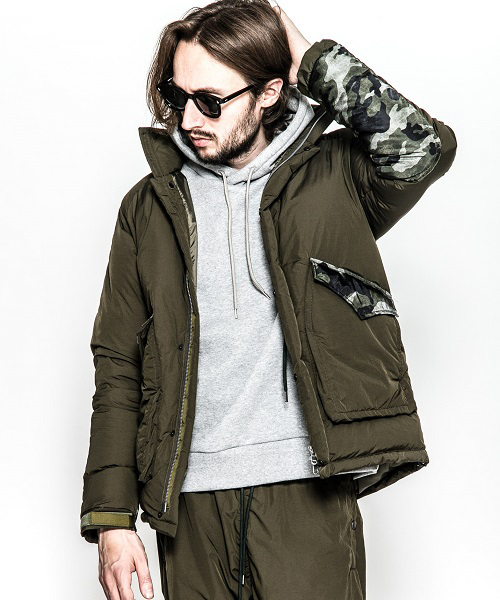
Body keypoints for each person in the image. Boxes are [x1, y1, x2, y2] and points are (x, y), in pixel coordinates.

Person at [79, 1, 457, 598]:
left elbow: (424, 148)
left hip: (306, 490)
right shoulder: (149, 206)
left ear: (268, 92)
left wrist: (315, 60)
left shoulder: (333, 177)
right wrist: (112, 518)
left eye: (211, 100)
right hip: (189, 504)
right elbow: (118, 362)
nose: (189, 118)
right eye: (178, 96)